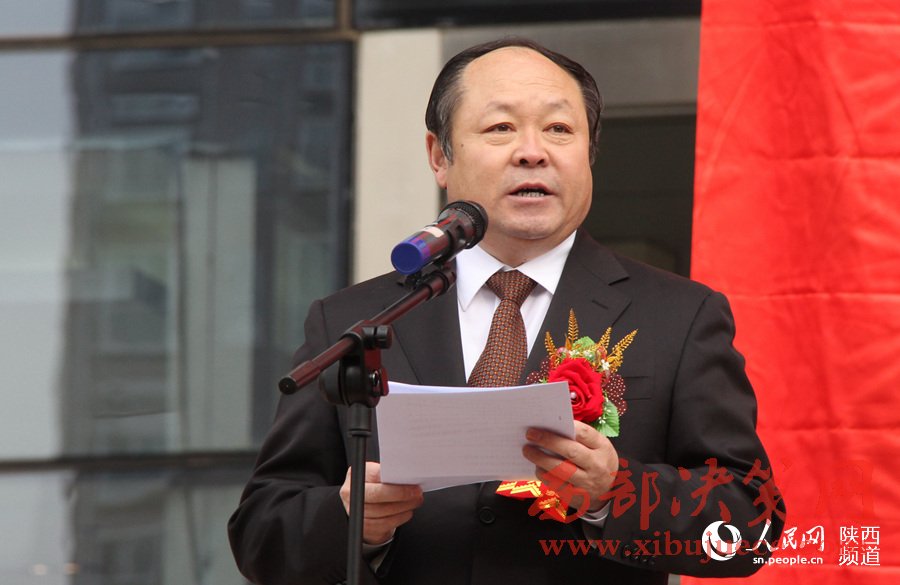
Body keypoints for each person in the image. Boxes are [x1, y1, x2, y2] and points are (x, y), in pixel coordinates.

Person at [228, 38, 786, 585]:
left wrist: (615, 492)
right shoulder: (357, 320)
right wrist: (351, 522)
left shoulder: (677, 315)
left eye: (559, 129)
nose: (532, 151)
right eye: (500, 127)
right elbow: (260, 537)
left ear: (589, 154)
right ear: (439, 156)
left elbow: (751, 527)